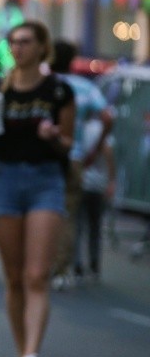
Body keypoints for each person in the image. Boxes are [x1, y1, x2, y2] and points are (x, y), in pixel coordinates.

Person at [0, 21, 75, 357]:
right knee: (14, 277)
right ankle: (22, 350)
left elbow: (67, 145)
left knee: (36, 275)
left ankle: (31, 353)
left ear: (42, 46)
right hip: (5, 179)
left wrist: (53, 136)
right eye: (14, 42)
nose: (18, 48)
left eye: (26, 42)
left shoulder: (58, 90)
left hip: (46, 179)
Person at [49, 40, 113, 290]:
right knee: (68, 215)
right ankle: (62, 270)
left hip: (42, 158)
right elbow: (107, 117)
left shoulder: (44, 84)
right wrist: (95, 149)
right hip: (74, 156)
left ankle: (40, 265)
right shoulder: (85, 87)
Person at [74, 117, 115, 283]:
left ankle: (77, 264)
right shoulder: (102, 132)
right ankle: (94, 264)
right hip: (98, 185)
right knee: (95, 227)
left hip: (82, 182)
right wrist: (112, 180)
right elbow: (108, 154)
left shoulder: (82, 128)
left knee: (79, 226)